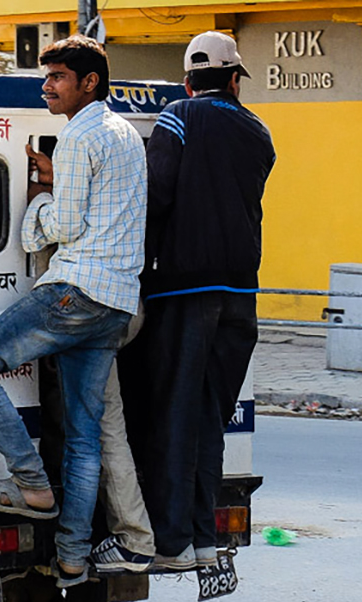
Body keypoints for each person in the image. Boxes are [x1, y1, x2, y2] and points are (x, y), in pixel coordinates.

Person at [0, 35, 146, 587]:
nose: (47, 86)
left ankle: (30, 482)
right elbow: (104, 207)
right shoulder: (125, 134)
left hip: (73, 291)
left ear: (88, 82)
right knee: (85, 439)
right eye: (48, 77)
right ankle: (71, 559)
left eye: (58, 77)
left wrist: (38, 198)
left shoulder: (79, 137)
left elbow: (64, 227)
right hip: (115, 302)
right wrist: (57, 180)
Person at [126, 31, 275, 570]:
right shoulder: (259, 131)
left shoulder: (176, 117)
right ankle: (203, 537)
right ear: (235, 80)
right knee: (211, 416)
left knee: (174, 415)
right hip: (241, 296)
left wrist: (134, 270)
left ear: (188, 81)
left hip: (185, 292)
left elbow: (156, 196)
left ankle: (170, 543)